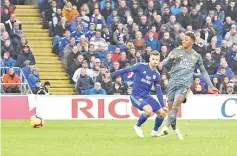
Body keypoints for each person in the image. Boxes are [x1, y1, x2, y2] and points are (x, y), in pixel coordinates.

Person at [160, 32, 219, 140]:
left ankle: (165, 127)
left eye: (186, 39)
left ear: (191, 41)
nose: (183, 41)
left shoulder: (196, 56)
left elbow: (203, 71)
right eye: (182, 39)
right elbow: (165, 61)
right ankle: (176, 131)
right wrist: (163, 62)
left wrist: (210, 85)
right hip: (172, 82)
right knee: (171, 109)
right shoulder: (176, 51)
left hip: (184, 84)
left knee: (177, 103)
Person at [111, 51, 167, 138]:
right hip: (135, 95)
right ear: (149, 59)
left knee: (162, 113)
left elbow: (158, 90)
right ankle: (137, 126)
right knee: (148, 110)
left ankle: (154, 131)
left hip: (146, 96)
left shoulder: (156, 74)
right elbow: (126, 70)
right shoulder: (140, 66)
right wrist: (112, 75)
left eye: (157, 59)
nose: (155, 61)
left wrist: (163, 105)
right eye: (153, 59)